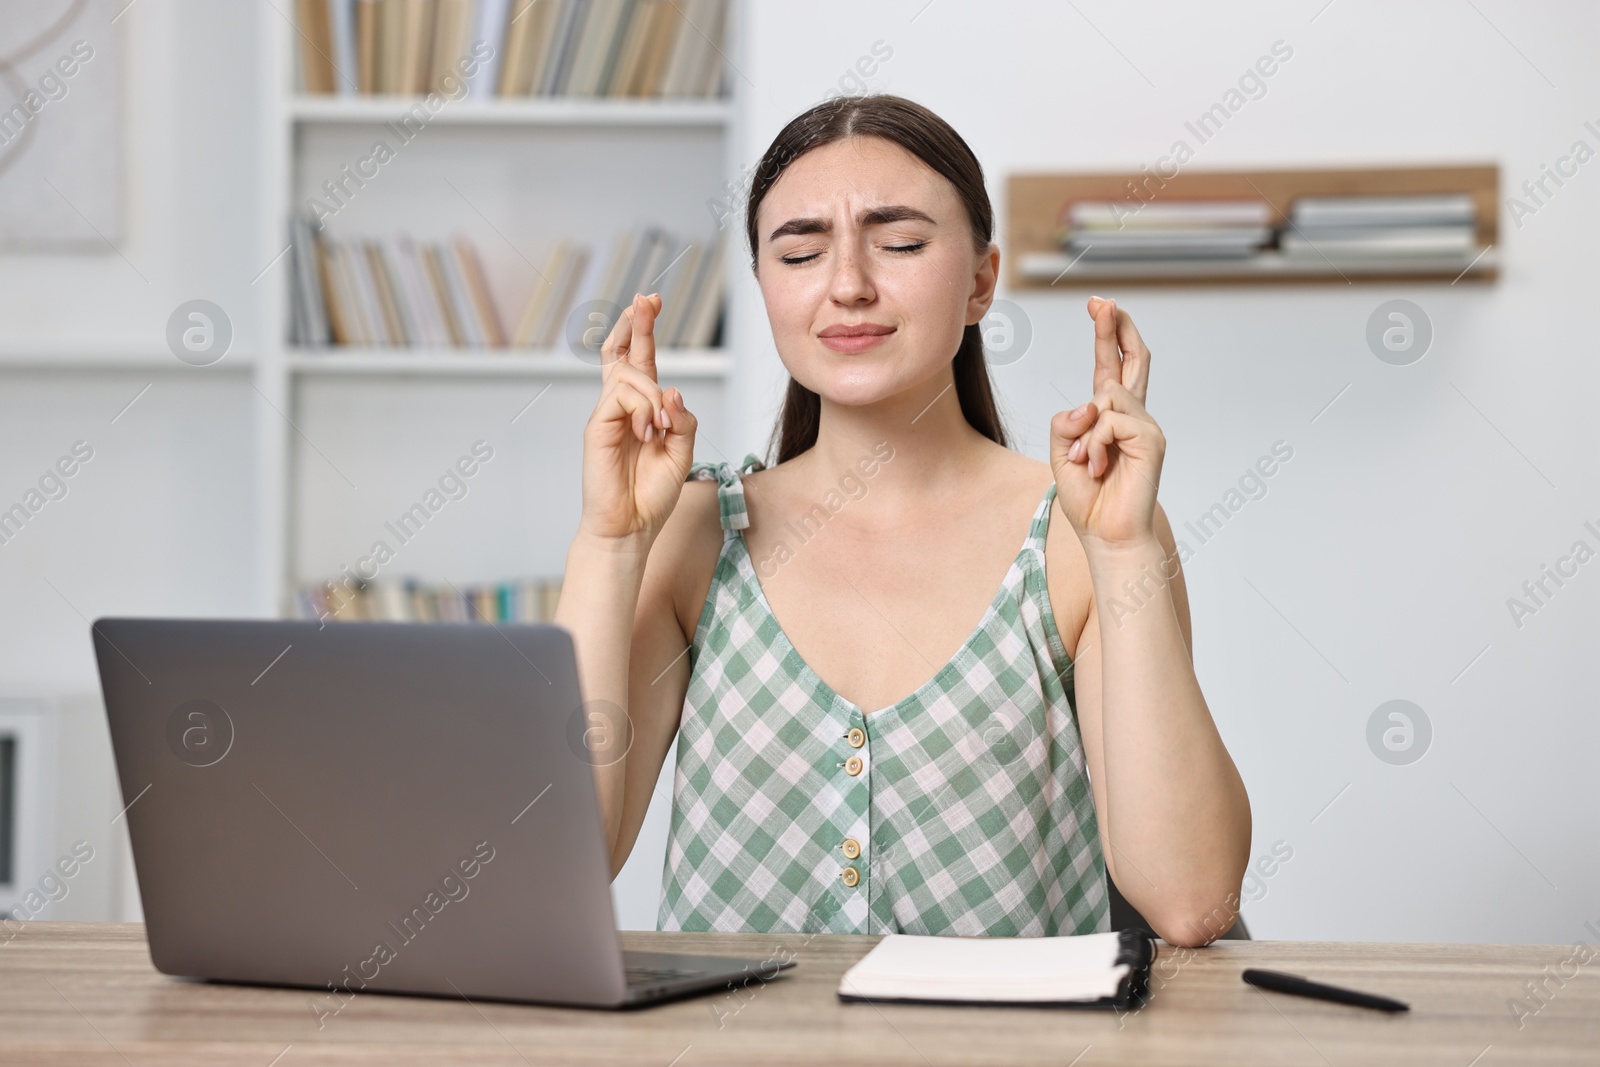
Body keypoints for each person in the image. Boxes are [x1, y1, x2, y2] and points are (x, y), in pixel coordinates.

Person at [555, 94, 1250, 947]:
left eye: (901, 244)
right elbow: (557, 873)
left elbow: (1193, 903)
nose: (847, 284)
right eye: (802, 252)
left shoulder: (1078, 535)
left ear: (981, 282)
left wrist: (1124, 547)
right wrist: (609, 544)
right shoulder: (692, 536)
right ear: (768, 288)